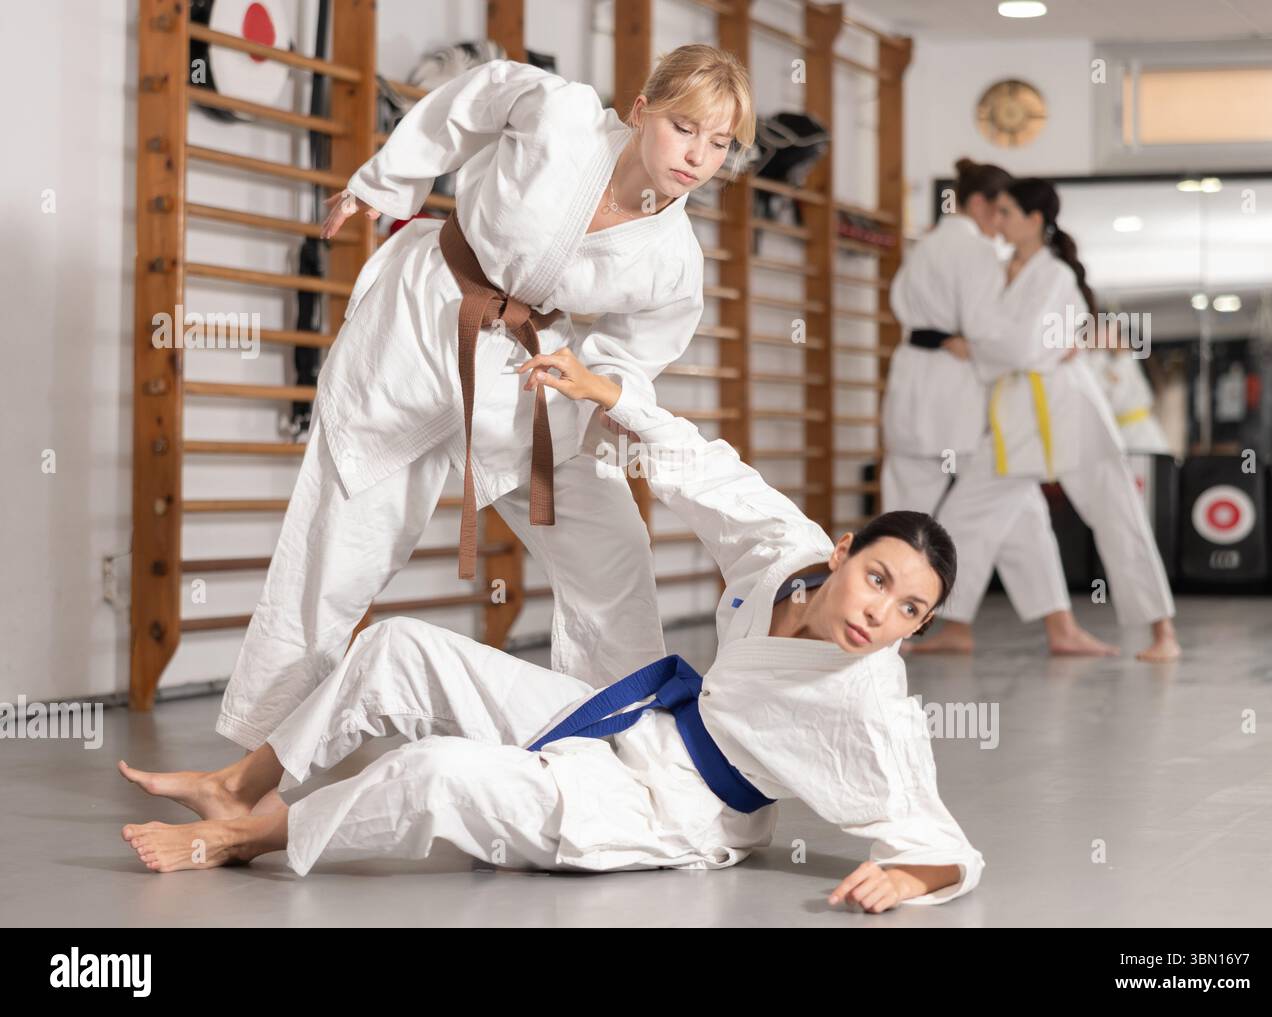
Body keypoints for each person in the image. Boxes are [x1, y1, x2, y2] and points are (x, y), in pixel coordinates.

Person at [120, 356, 984, 912]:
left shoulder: (872, 702)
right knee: (399, 646)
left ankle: (243, 835)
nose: (881, 614)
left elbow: (942, 840)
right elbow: (709, 472)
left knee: (436, 771)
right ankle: (241, 782)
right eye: (878, 579)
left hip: (671, 810)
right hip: (640, 719)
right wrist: (612, 395)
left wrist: (914, 875)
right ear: (840, 551)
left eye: (911, 611)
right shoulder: (784, 548)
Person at [216, 47, 756, 759]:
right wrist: (385, 182)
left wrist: (590, 376)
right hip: (421, 325)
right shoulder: (561, 115)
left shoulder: (675, 257)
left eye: (720, 143)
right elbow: (467, 101)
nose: (699, 156)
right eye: (685, 127)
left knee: (614, 551)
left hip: (524, 375)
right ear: (639, 111)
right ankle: (254, 757)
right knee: (337, 545)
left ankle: (622, 746)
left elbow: (636, 350)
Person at [933, 178, 1180, 662]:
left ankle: (1163, 632)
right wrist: (996, 346)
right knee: (963, 516)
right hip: (1016, 417)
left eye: (1006, 212)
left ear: (1034, 220)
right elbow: (1008, 344)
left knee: (1117, 516)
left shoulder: (1056, 276)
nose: (997, 222)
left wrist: (979, 347)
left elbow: (1022, 347)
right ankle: (952, 623)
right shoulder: (1001, 270)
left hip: (1070, 411)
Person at [885, 158, 1116, 656]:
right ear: (980, 205)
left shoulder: (926, 245)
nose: (1003, 225)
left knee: (1009, 512)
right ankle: (899, 624)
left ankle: (1020, 625)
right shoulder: (975, 252)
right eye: (1000, 211)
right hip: (961, 394)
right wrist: (1055, 345)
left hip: (913, 385)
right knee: (953, 514)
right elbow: (995, 331)